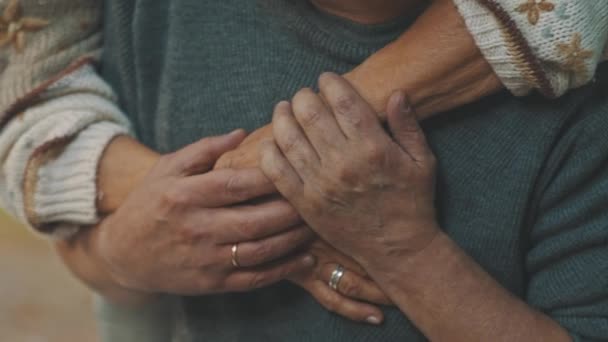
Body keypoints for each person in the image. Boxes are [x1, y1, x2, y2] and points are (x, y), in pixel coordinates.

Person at [0, 0, 606, 340]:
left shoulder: (580, 109)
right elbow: (100, 256)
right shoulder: (158, 16)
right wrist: (123, 255)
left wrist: (408, 254)